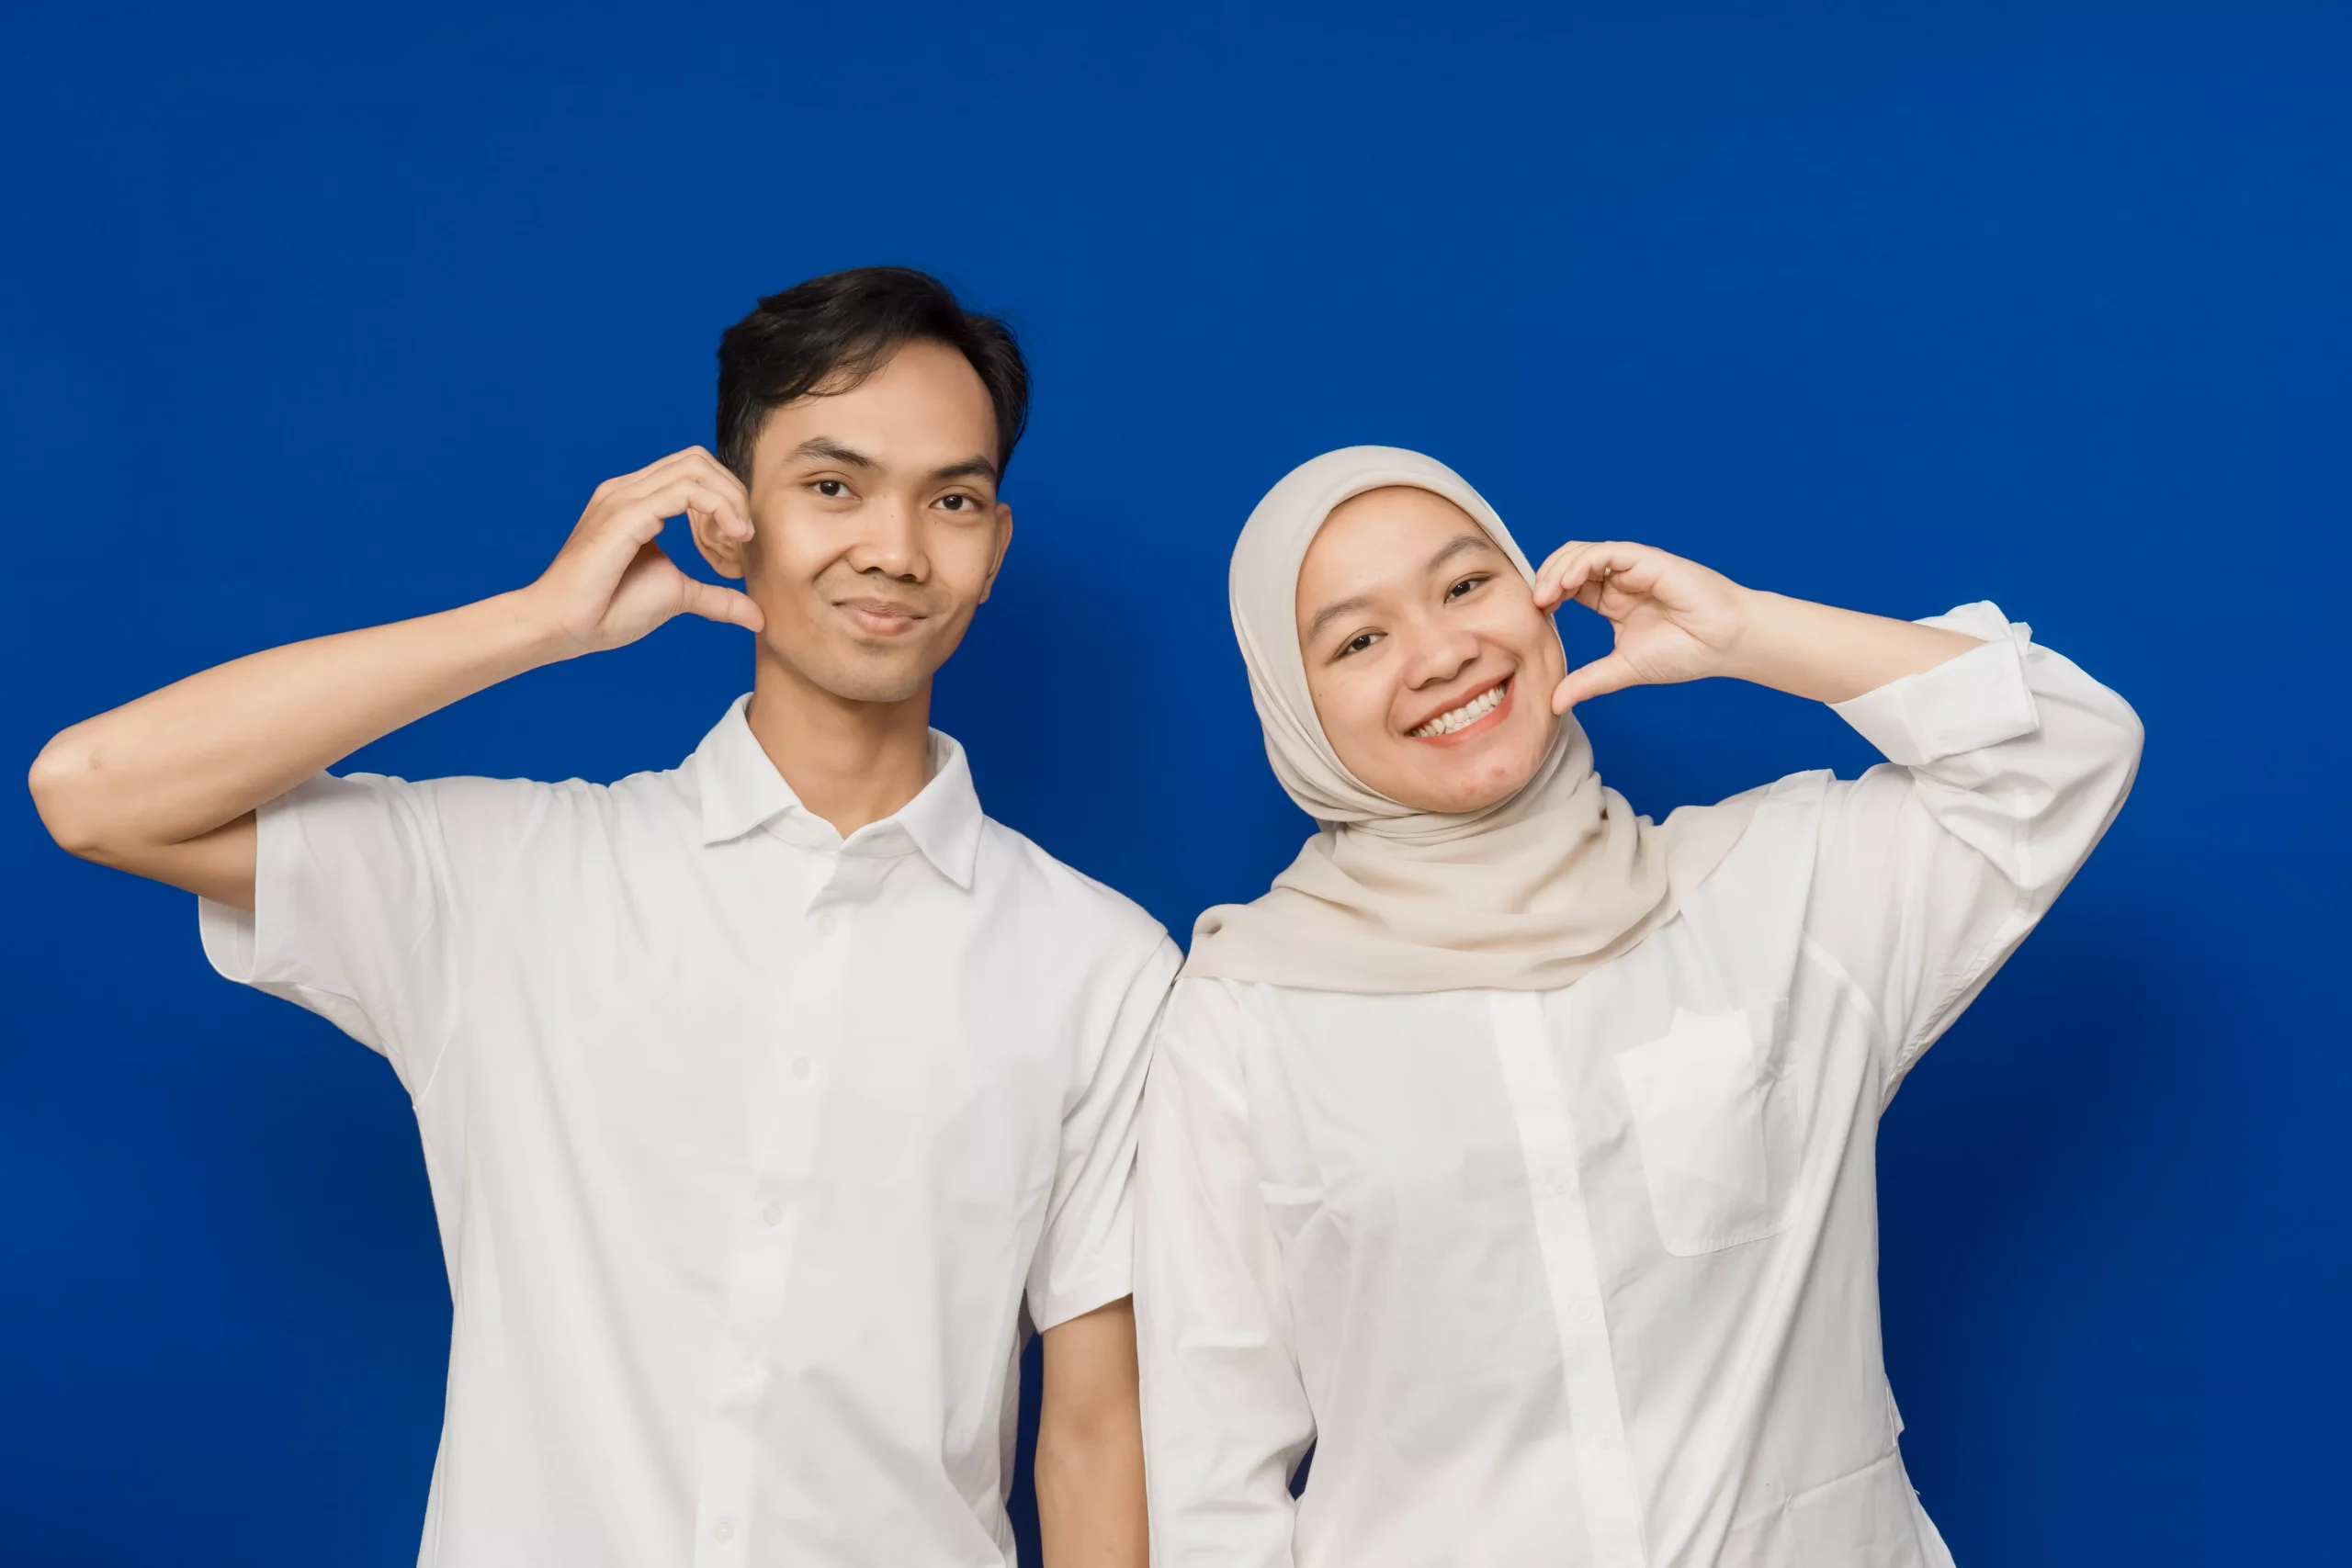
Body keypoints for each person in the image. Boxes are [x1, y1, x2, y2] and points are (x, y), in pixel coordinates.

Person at [28, 267, 1177, 1568]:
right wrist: (539, 621)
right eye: (832, 485)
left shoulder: (1099, 964)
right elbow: (93, 792)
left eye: (951, 500)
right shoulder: (510, 881)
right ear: (729, 519)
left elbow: (1095, 1436)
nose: (897, 549)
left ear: (995, 548)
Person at [1133, 446, 2141, 1568]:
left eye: (1465, 585)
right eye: (1358, 641)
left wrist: (1744, 631)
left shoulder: (1777, 894)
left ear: (1538, 600)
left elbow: (2069, 748)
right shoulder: (1242, 1016)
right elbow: (1211, 1478)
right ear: (1293, 703)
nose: (1440, 652)